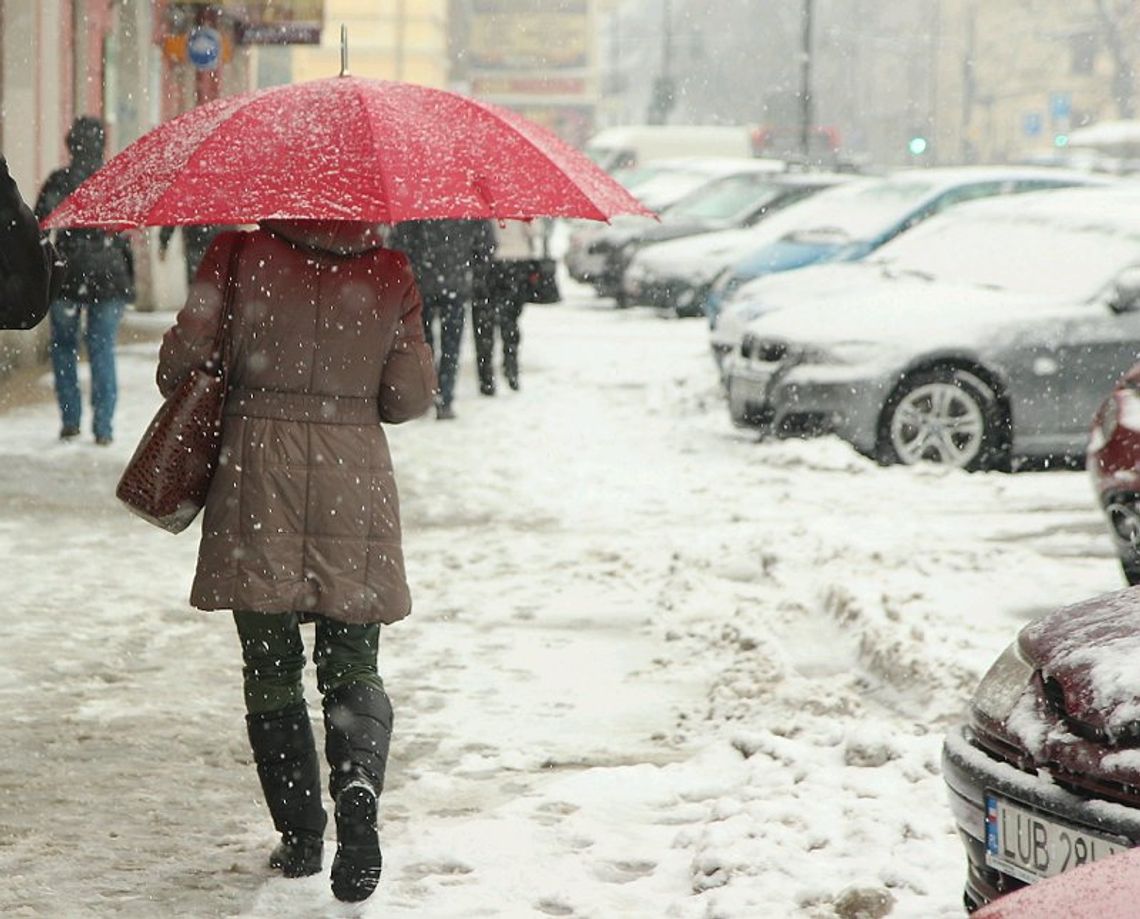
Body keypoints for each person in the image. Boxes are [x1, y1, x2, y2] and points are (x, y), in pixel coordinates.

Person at [154, 219, 435, 903]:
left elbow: (176, 370)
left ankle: (303, 834)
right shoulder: (390, 271)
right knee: (353, 661)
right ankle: (358, 782)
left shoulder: (236, 253)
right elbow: (409, 397)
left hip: (256, 475)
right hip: (352, 480)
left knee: (270, 664)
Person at [34, 116, 134, 444]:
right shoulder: (114, 181)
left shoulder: (59, 181)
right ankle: (103, 428)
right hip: (109, 277)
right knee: (102, 349)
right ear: (101, 144)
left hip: (67, 275)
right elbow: (125, 231)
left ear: (70, 145)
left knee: (64, 347)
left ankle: (70, 419)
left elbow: (41, 226)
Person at [387, 218, 493, 419]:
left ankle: (428, 393)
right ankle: (446, 397)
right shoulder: (468, 207)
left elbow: (399, 243)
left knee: (424, 345)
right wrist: (472, 271)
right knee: (451, 346)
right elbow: (486, 246)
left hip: (422, 284)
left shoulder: (416, 205)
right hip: (456, 285)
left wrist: (413, 268)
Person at [471, 219, 542, 395]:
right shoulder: (519, 202)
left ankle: (486, 377)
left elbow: (475, 236)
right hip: (517, 263)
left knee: (484, 324)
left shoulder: (481, 203)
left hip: (488, 264)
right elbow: (534, 232)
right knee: (510, 320)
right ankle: (511, 368)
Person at [0, 155, 56, 330]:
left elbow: (42, 216)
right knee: (102, 343)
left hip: (73, 283)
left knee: (65, 344)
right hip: (100, 283)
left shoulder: (60, 179)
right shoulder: (111, 183)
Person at [158, 224, 233, 286]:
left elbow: (173, 219)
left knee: (199, 280)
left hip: (196, 242)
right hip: (208, 243)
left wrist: (164, 242)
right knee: (211, 279)